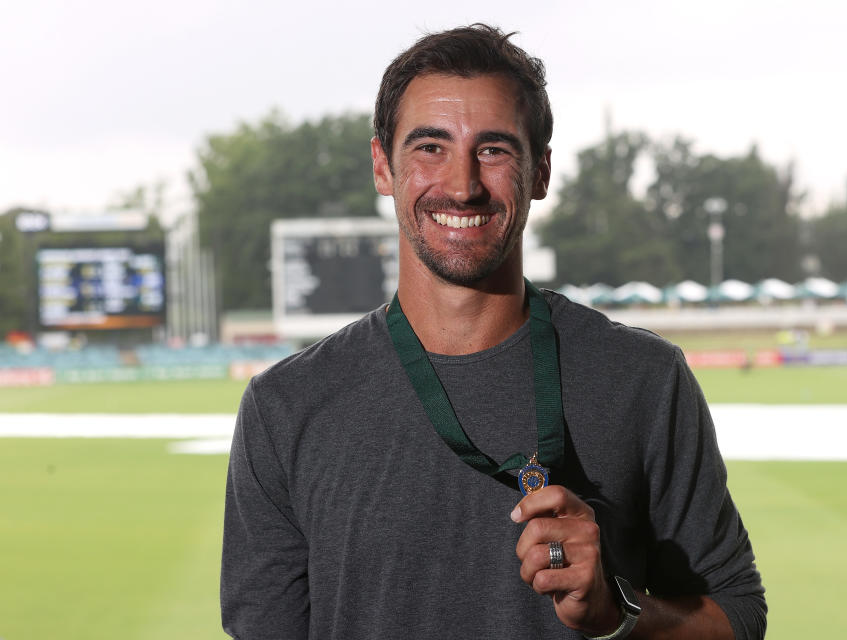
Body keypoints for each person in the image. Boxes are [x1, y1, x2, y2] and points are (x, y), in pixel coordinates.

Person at [221, 24, 765, 640]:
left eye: (494, 149)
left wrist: (619, 614)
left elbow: (739, 618)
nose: (461, 185)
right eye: (430, 146)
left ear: (540, 172)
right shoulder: (285, 407)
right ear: (382, 164)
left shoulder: (643, 378)